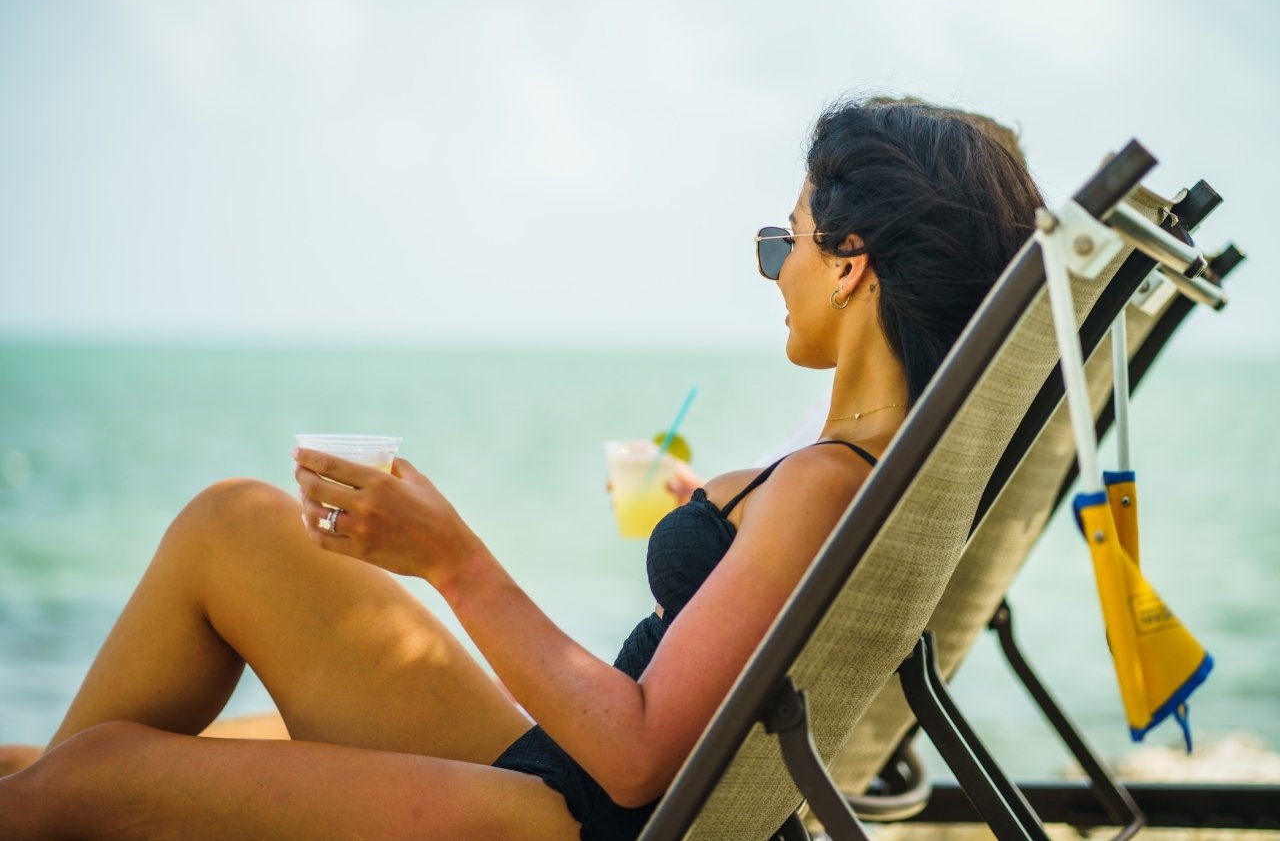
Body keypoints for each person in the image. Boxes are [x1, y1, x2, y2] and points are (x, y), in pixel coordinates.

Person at [0, 95, 1043, 840]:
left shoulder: (828, 484)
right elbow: (744, 618)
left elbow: (637, 758)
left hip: (572, 810)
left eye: (787, 244)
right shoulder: (861, 471)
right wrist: (695, 510)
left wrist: (450, 558)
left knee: (89, 777)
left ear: (849, 262)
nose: (777, 271)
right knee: (236, 524)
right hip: (560, 773)